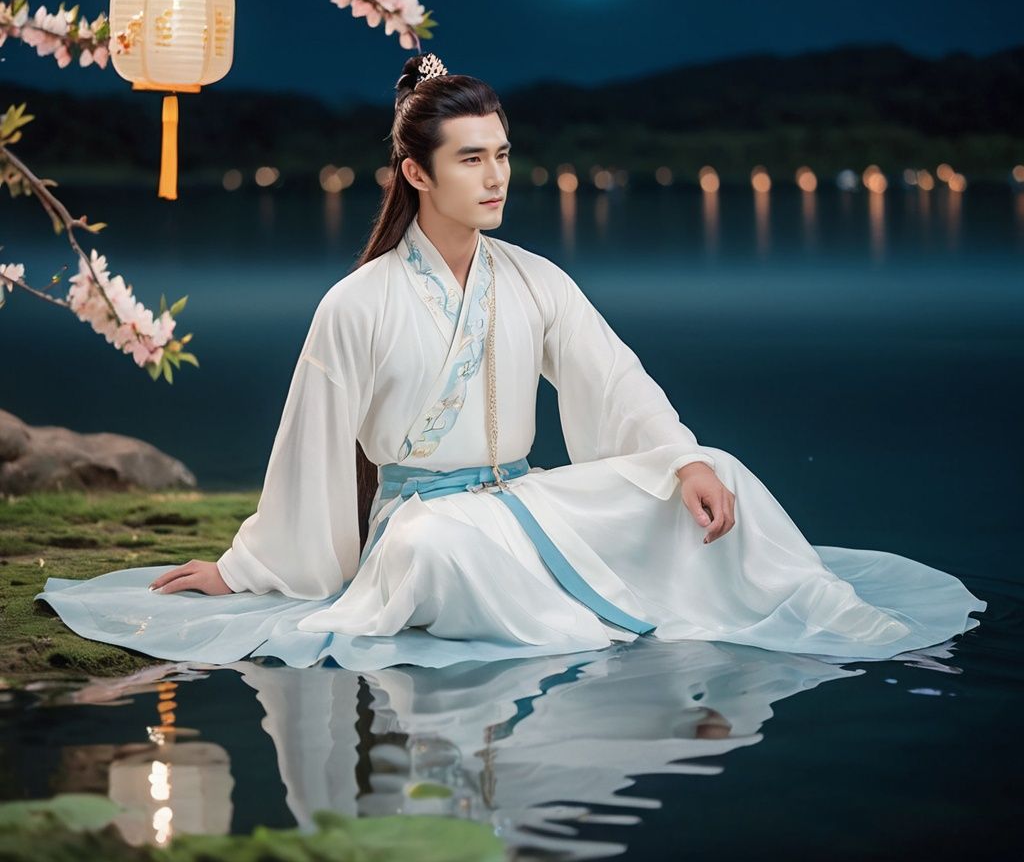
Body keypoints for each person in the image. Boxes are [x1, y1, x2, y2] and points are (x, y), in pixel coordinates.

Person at [36, 53, 987, 670]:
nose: (494, 177)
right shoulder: (355, 304)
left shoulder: (534, 279)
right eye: (470, 159)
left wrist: (681, 458)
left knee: (713, 472)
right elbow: (310, 454)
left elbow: (612, 381)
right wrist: (248, 570)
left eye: (502, 154)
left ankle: (798, 605)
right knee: (435, 545)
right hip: (425, 523)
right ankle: (606, 618)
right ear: (417, 173)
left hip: (525, 500)